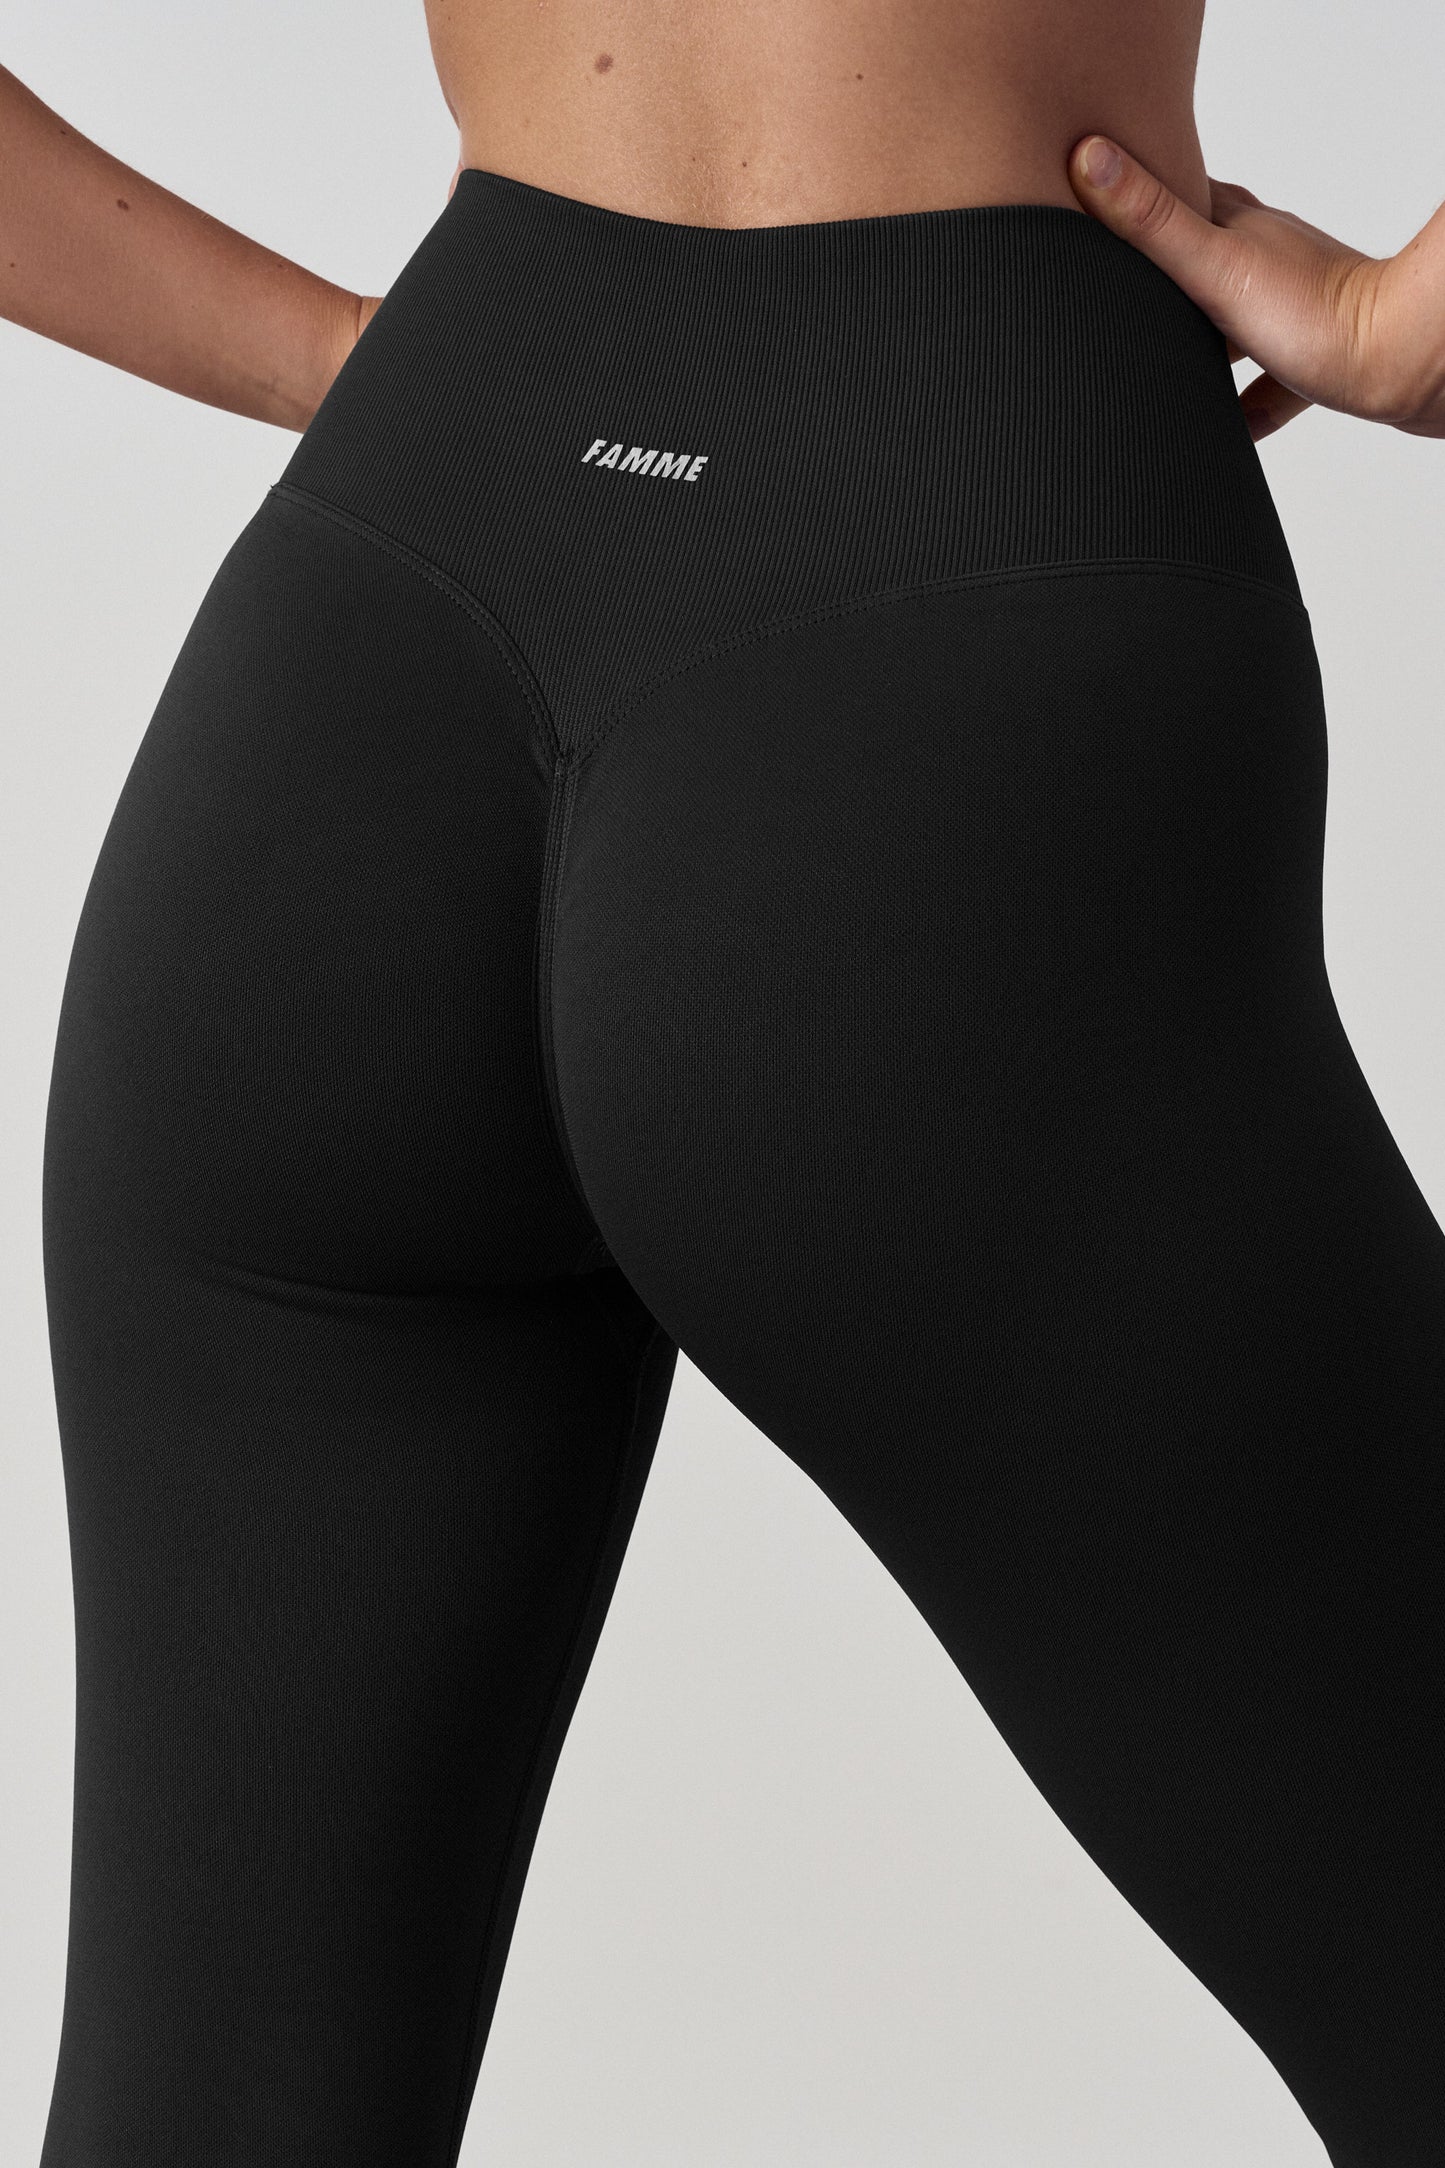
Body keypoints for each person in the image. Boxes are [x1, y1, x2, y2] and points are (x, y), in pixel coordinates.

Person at [3, 4, 1441, 2159]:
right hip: (951, 600)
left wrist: (365, 375)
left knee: (217, 2109)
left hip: (367, 649)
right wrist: (1405, 328)